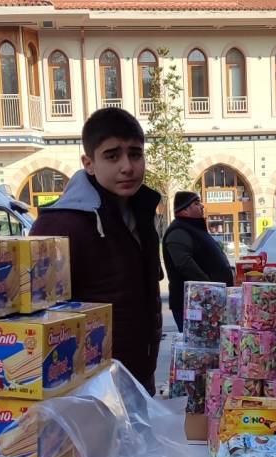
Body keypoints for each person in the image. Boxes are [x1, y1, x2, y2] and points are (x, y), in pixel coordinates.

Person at [31, 107, 163, 394]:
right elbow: (37, 316)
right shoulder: (60, 224)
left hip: (138, 379)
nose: (127, 166)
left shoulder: (142, 212)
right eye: (112, 156)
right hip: (89, 388)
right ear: (88, 163)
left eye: (135, 154)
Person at [162, 191, 234, 332]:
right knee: (198, 348)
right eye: (196, 203)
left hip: (208, 302)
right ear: (185, 210)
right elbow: (185, 264)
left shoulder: (194, 228)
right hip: (194, 304)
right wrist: (211, 287)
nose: (201, 206)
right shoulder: (178, 231)